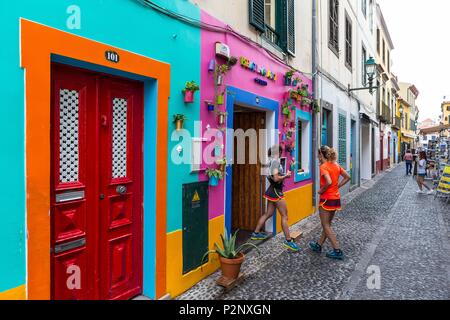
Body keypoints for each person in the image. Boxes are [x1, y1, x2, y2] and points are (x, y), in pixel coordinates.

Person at [251, 145, 300, 252]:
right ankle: (288, 240)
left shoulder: (270, 162)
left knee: (268, 213)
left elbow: (274, 177)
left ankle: (256, 233)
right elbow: (276, 178)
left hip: (272, 191)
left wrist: (285, 174)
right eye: (279, 151)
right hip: (276, 192)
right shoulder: (275, 162)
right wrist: (286, 176)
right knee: (284, 216)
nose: (281, 153)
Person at [309, 146, 350, 260]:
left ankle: (337, 250)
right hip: (335, 198)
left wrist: (321, 190)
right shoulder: (336, 165)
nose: (317, 157)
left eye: (318, 155)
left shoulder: (323, 167)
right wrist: (338, 186)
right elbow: (347, 177)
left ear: (321, 155)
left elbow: (328, 181)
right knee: (327, 225)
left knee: (325, 225)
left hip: (326, 199)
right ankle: (318, 245)